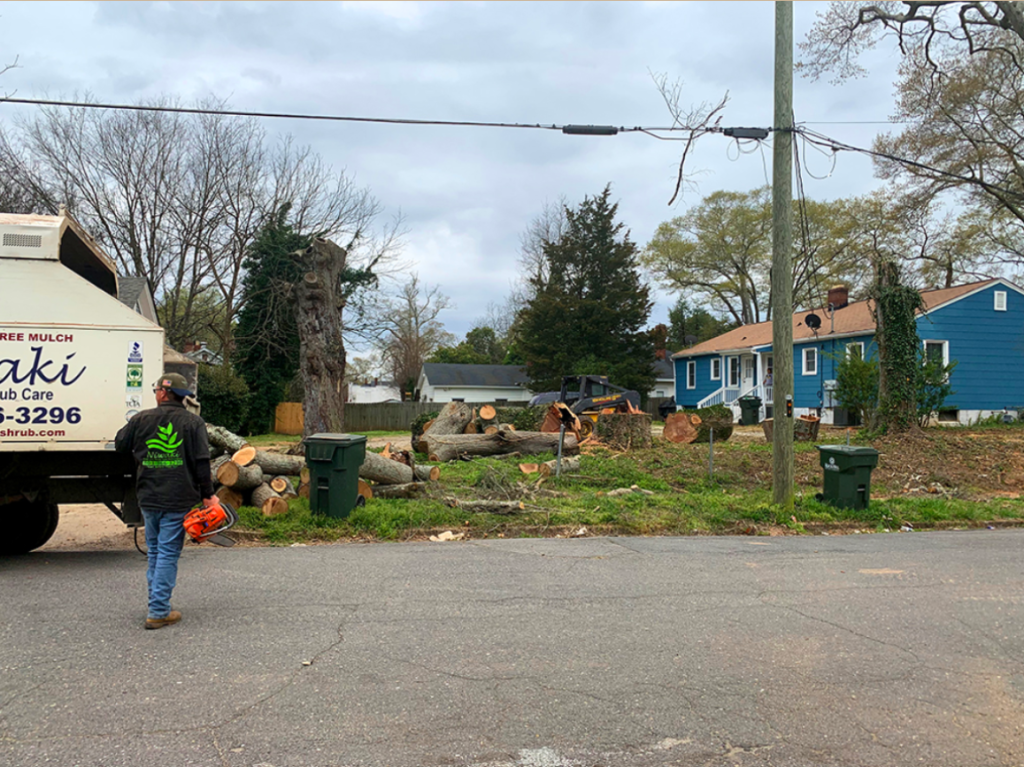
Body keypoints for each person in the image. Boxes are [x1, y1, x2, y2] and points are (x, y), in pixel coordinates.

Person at [116, 372, 218, 630]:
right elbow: (202, 462)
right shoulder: (193, 422)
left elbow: (120, 444)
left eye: (156, 391)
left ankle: (157, 604)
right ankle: (159, 610)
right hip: (179, 496)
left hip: (148, 495)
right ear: (182, 397)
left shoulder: (141, 419)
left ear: (163, 393)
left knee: (155, 551)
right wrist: (209, 496)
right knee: (168, 552)